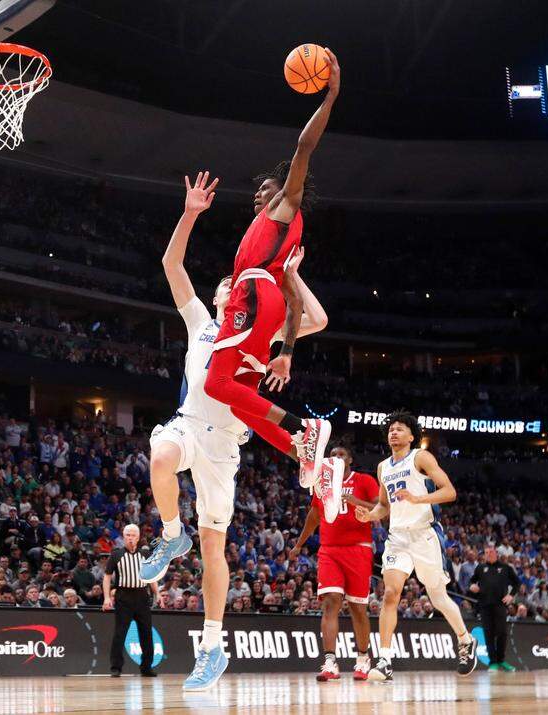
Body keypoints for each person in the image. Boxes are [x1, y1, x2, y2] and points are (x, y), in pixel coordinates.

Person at [139, 171, 330, 691]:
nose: (230, 284)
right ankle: (169, 536)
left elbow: (316, 318)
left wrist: (291, 275)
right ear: (221, 295)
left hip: (225, 446)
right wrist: (190, 213)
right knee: (159, 455)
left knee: (214, 550)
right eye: (226, 283)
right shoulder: (200, 319)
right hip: (188, 426)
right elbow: (171, 265)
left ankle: (212, 646)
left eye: (233, 282)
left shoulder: (260, 328)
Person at [202, 49, 342, 491]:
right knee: (242, 404)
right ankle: (306, 459)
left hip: (252, 295)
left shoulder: (284, 208)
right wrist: (286, 353)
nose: (257, 196)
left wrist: (331, 96)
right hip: (268, 302)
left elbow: (303, 147)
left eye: (264, 189)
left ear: (282, 191)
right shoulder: (276, 237)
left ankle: (304, 429)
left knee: (215, 385)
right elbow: (294, 297)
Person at [356, 412, 478, 681]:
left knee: (438, 597)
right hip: (397, 537)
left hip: (424, 535)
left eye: (399, 429)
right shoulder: (382, 467)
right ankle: (384, 660)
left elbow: (449, 491)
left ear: (411, 437)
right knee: (390, 593)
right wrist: (370, 515)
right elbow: (384, 506)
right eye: (391, 429)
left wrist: (417, 498)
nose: (394, 432)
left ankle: (465, 640)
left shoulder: (420, 458)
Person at [289, 446, 379, 682]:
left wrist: (355, 500)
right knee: (330, 603)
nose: (337, 458)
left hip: (358, 549)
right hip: (329, 550)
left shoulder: (364, 480)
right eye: (333, 455)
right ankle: (330, 661)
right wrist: (299, 544)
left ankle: (362, 659)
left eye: (341, 455)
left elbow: (382, 509)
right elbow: (314, 515)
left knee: (357, 607)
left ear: (350, 459)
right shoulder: (322, 483)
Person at [103, 524, 158, 678]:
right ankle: (116, 667)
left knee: (146, 633)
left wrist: (157, 594)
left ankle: (146, 667)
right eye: (127, 535)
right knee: (120, 633)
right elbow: (107, 577)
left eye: (133, 535)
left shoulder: (146, 555)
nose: (130, 538)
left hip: (142, 596)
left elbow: (151, 576)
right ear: (123, 536)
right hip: (123, 597)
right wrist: (107, 597)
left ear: (138, 537)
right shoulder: (116, 554)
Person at [468, 544, 519, 672]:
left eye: (490, 552)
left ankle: (501, 660)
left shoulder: (505, 568)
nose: (488, 554)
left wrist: (511, 596)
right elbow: (472, 581)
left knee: (502, 632)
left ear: (496, 553)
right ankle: (493, 662)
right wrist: (472, 586)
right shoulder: (480, 568)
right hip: (484, 605)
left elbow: (517, 583)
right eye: (486, 552)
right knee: (488, 634)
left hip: (500, 605)